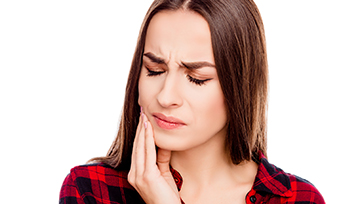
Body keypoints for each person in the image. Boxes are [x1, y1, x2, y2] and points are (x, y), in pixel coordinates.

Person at [59, 0, 325, 203]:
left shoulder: (298, 198)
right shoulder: (90, 190)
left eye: (197, 78)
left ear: (241, 87)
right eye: (154, 70)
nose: (165, 97)